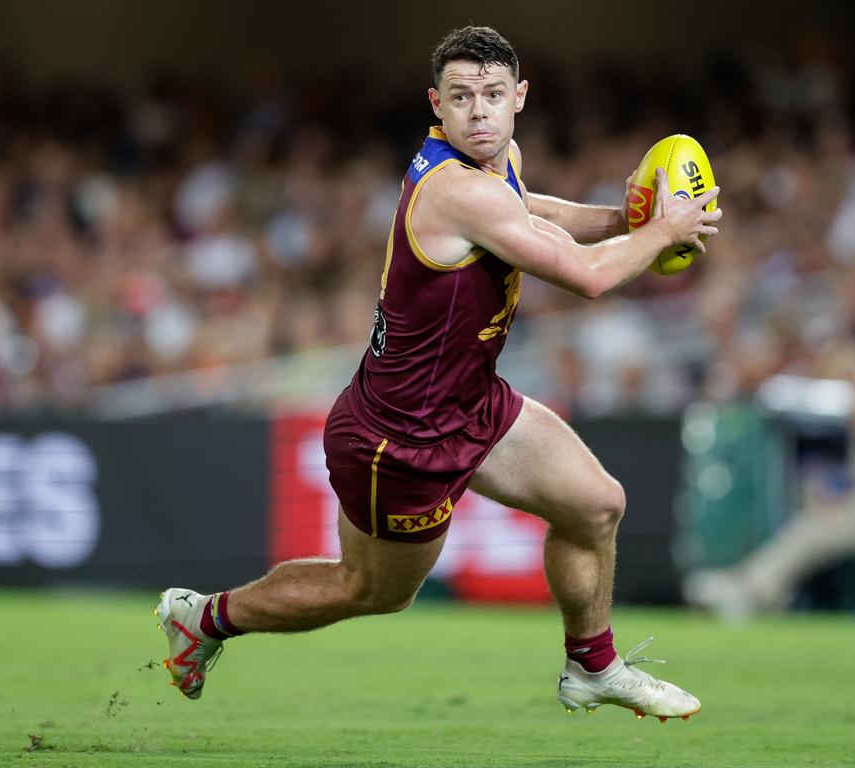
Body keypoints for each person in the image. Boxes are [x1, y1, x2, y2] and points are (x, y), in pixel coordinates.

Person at [156, 26, 720, 720]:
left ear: (519, 97)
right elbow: (586, 277)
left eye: (491, 95)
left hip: (472, 403)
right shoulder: (456, 190)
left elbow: (533, 211)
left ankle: (592, 666)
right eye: (461, 98)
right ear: (437, 104)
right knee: (371, 590)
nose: (478, 111)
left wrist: (620, 216)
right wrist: (662, 232)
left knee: (595, 504)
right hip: (400, 437)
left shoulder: (497, 162)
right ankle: (205, 619)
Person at [683, 337, 855, 617]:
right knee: (808, 525)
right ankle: (751, 587)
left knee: (811, 529)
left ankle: (752, 589)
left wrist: (838, 503)